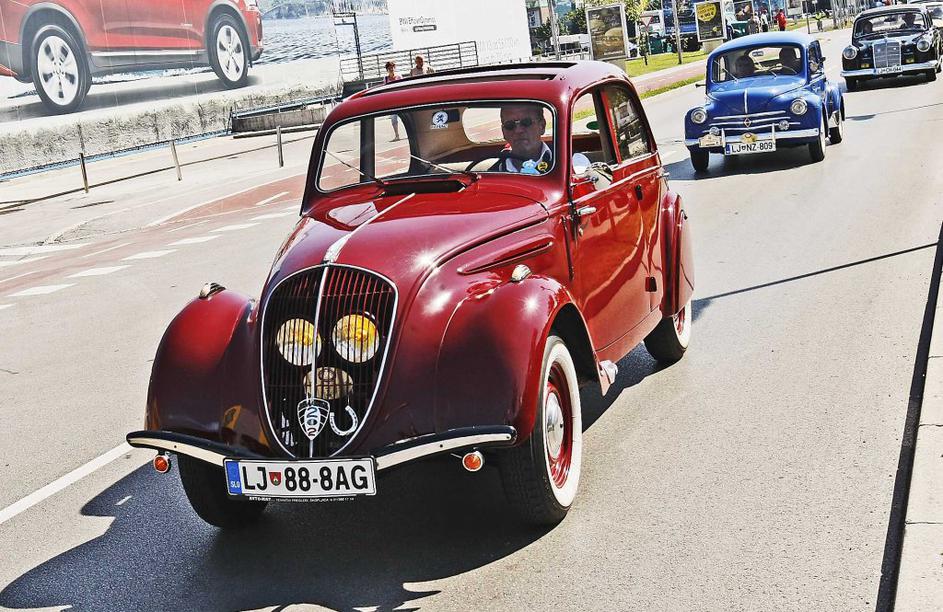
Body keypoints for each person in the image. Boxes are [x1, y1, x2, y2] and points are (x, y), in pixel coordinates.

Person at [490, 104, 552, 174]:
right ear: (503, 132)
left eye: (526, 122)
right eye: (510, 125)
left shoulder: (561, 159)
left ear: (542, 126)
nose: (518, 131)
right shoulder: (492, 174)